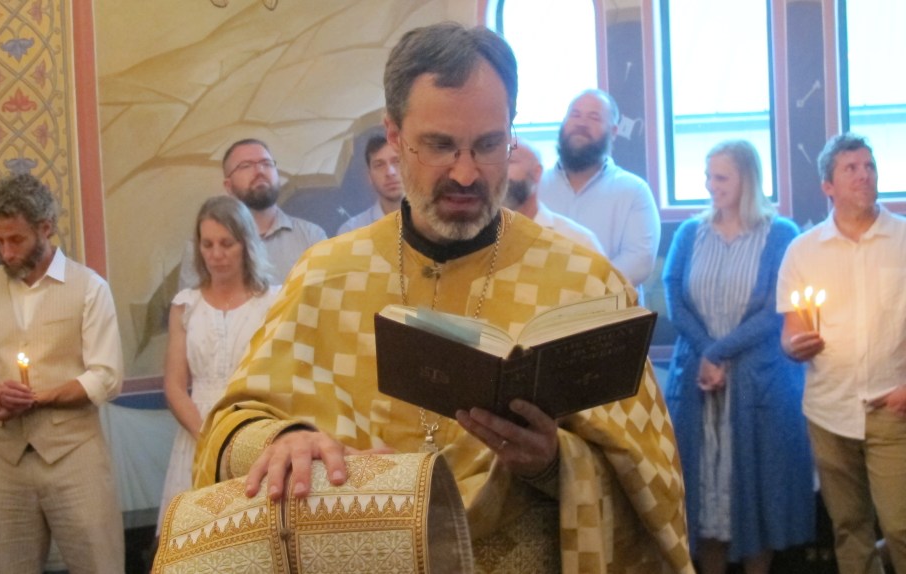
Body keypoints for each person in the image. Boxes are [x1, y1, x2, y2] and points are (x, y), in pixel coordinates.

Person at [192, 22, 692, 573]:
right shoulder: (326, 275)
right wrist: (283, 438)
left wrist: (553, 463)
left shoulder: (584, 282)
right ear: (394, 135)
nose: (466, 173)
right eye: (439, 145)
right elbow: (228, 429)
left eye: (488, 145)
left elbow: (652, 490)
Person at [0, 173, 125, 573]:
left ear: (45, 228)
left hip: (74, 455)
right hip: (4, 460)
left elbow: (106, 376)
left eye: (16, 240)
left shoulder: (90, 287)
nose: (5, 252)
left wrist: (37, 399)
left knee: (99, 565)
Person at [664, 140, 814, 574]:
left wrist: (720, 352)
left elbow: (774, 309)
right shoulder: (690, 233)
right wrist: (706, 352)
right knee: (701, 496)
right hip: (698, 379)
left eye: (721, 177)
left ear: (747, 179)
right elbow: (673, 294)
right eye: (708, 176)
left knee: (756, 493)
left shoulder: (781, 233)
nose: (711, 185)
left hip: (757, 382)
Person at [778, 133, 906, 574]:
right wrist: (795, 346)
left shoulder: (903, 239)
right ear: (827, 186)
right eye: (851, 168)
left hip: (893, 406)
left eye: (869, 166)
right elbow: (791, 333)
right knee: (849, 528)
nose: (864, 175)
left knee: (901, 527)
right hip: (829, 410)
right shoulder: (803, 250)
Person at [157, 195, 279, 529]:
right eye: (207, 244)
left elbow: (283, 378)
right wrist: (207, 437)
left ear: (246, 244)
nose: (216, 255)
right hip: (196, 430)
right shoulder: (186, 305)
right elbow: (174, 386)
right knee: (195, 537)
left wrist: (240, 439)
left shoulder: (273, 301)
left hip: (254, 427)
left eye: (227, 244)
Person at [539, 89, 660, 293]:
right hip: (540, 303)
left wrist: (581, 293)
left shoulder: (634, 190)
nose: (581, 123)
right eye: (575, 115)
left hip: (608, 308)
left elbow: (639, 260)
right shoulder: (535, 187)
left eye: (594, 117)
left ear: (613, 131)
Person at [179, 139, 327, 286]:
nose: (260, 171)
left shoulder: (311, 237)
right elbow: (192, 301)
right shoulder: (202, 247)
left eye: (266, 163)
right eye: (246, 166)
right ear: (228, 186)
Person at [505, 139, 603, 253]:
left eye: (508, 161)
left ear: (536, 173)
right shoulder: (486, 238)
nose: (497, 171)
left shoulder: (578, 243)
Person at [337, 134, 404, 235]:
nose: (390, 172)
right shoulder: (351, 231)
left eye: (397, 161)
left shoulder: (429, 222)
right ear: (369, 176)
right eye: (379, 165)